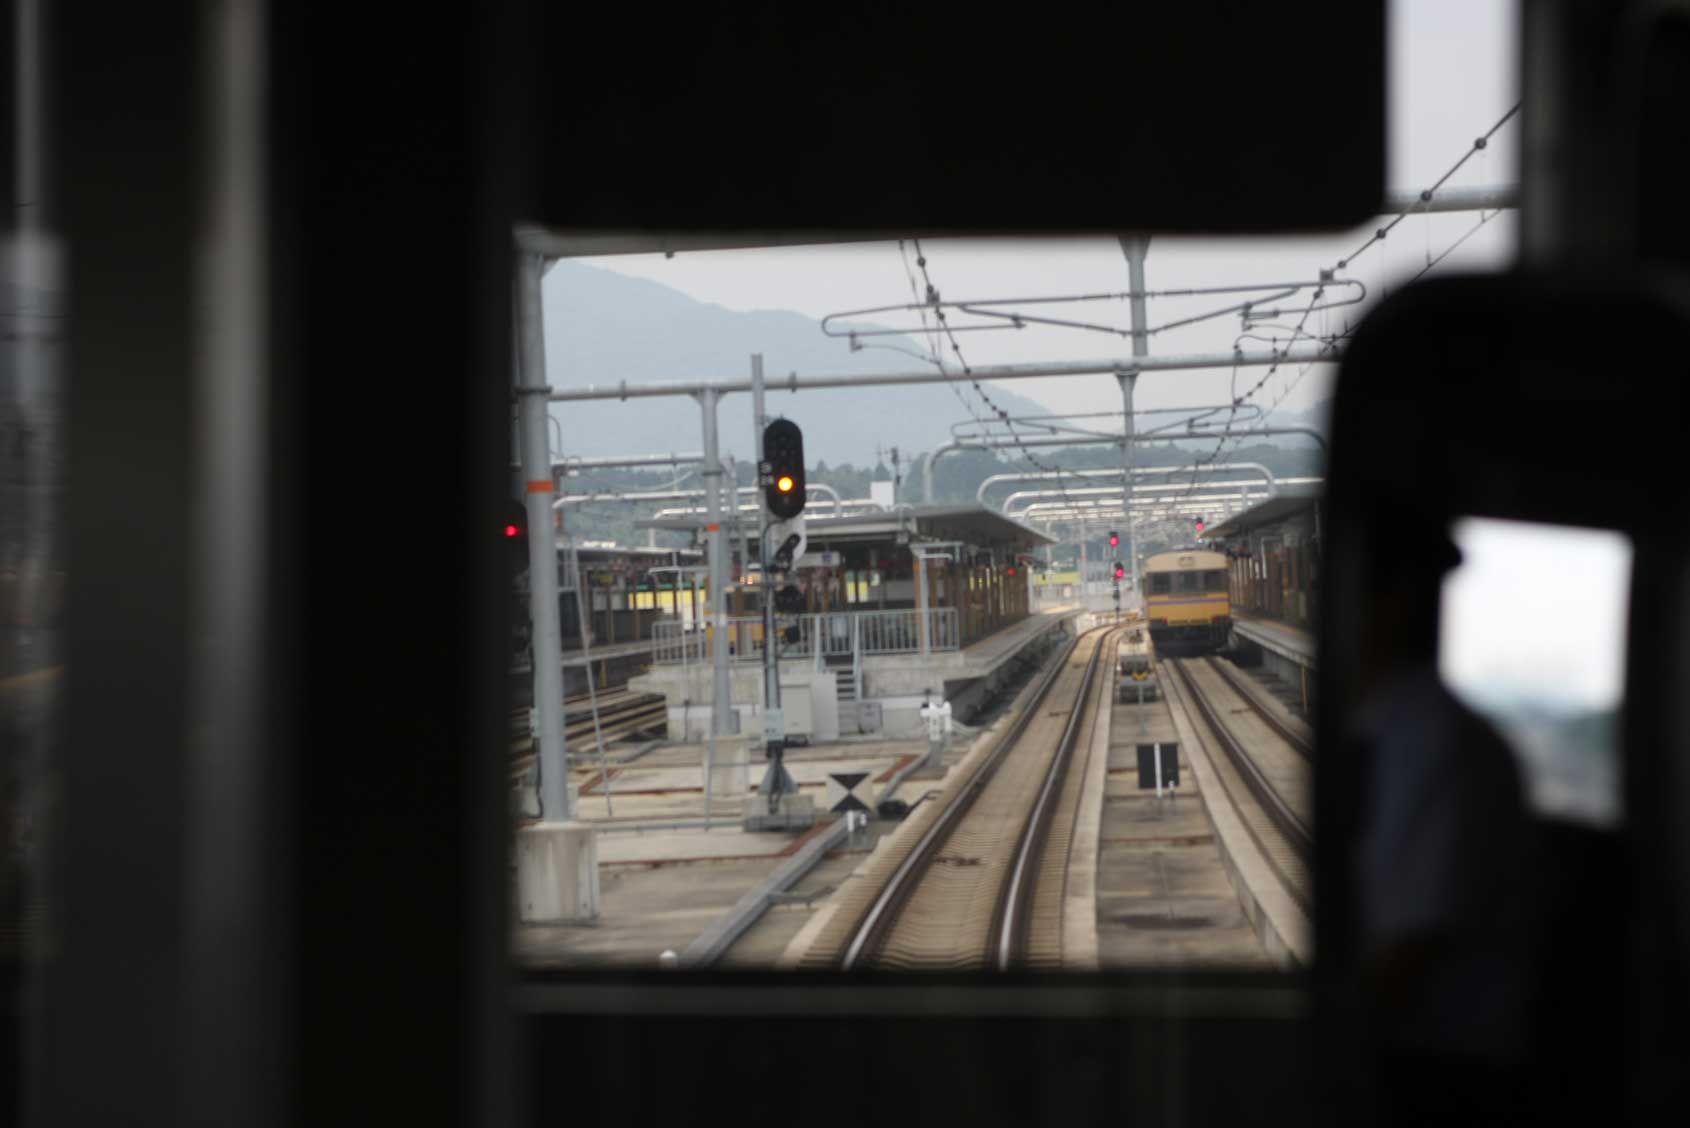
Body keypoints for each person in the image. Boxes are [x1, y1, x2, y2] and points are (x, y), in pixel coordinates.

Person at [1345, 507, 1543, 1127]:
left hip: (1439, 1076)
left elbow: (1407, 949)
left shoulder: (1426, 735)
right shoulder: (1396, 724)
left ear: (1390, 602)